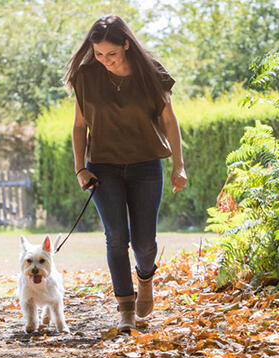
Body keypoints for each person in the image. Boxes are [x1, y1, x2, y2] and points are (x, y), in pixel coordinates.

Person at [64, 15, 187, 332]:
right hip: (103, 169)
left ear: (127, 45)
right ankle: (125, 311)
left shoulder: (151, 74)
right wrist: (80, 167)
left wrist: (179, 165)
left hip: (146, 166)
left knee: (144, 243)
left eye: (111, 54)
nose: (104, 60)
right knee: (116, 238)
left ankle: (146, 277)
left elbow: (169, 121)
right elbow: (80, 126)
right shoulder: (86, 76)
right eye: (99, 54)